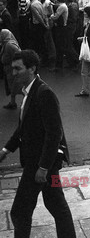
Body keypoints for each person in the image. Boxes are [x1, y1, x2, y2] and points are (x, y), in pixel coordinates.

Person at [0, 50, 76, 237]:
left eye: (18, 68)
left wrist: (43, 167)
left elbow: (54, 133)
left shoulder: (44, 93)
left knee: (20, 211)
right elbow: (23, 128)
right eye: (13, 69)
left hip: (40, 163)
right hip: (40, 161)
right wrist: (6, 150)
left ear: (32, 68)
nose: (14, 73)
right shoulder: (29, 92)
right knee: (56, 206)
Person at [1, 29, 22, 109]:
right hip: (9, 69)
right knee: (13, 87)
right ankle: (13, 102)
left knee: (16, 87)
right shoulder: (6, 44)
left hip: (12, 69)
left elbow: (19, 54)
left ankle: (28, 102)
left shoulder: (9, 45)